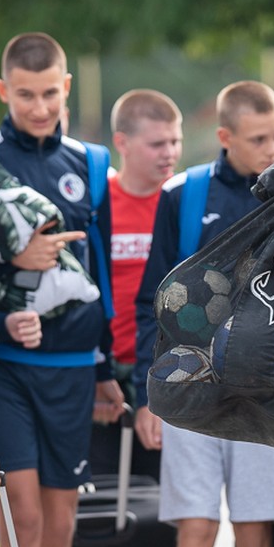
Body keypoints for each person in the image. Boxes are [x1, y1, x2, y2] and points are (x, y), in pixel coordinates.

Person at [0, 32, 125, 547]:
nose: (40, 107)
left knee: (62, 520)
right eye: (26, 95)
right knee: (23, 516)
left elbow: (102, 277)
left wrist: (105, 368)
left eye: (50, 93)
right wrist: (11, 255)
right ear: (3, 91)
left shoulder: (92, 164)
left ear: (66, 87)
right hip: (0, 365)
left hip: (71, 367)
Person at [133, 81, 274, 547]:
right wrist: (151, 388)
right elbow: (154, 299)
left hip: (264, 395)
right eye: (259, 139)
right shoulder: (184, 196)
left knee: (256, 533)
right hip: (193, 388)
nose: (272, 148)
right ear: (224, 137)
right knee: (195, 528)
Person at [105, 89, 185, 387]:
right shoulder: (100, 203)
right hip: (106, 368)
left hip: (167, 366)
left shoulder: (185, 201)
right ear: (122, 143)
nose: (170, 152)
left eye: (175, 141)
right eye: (157, 144)